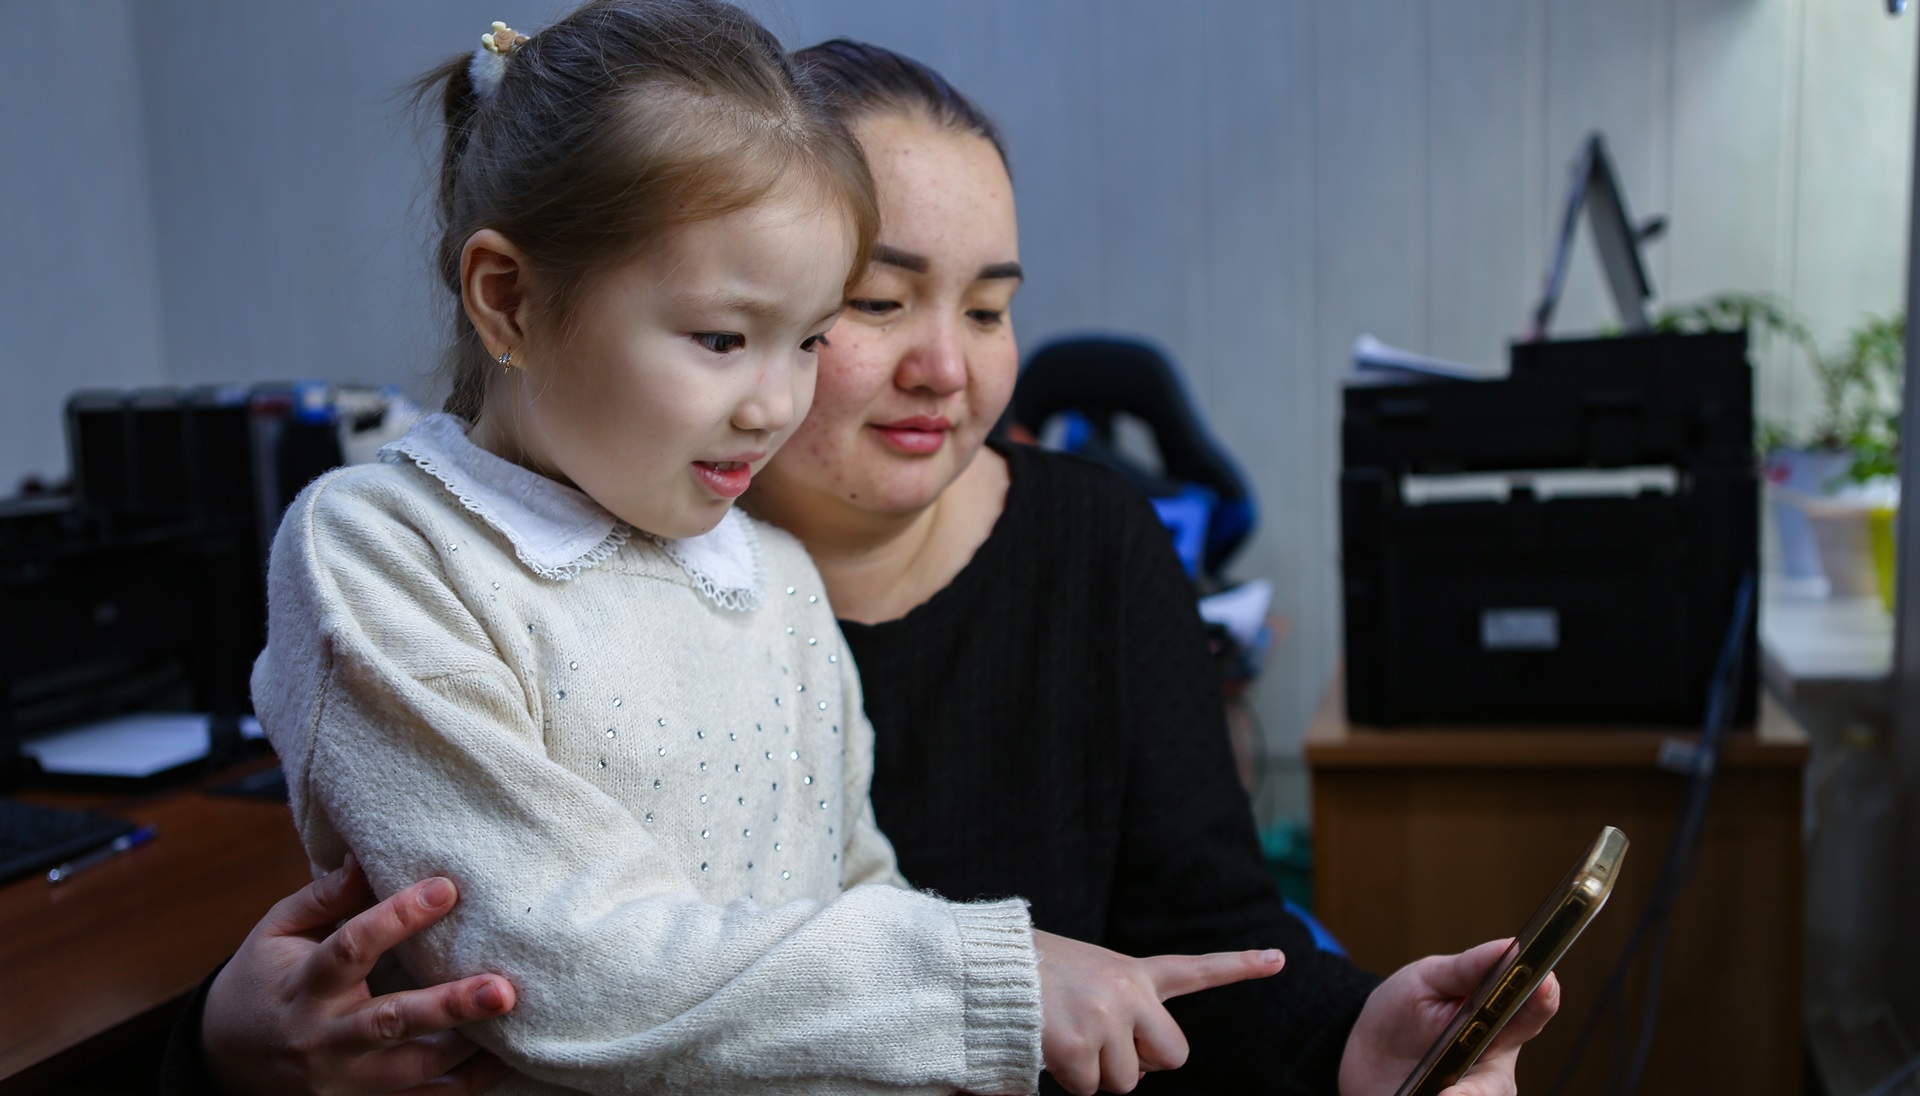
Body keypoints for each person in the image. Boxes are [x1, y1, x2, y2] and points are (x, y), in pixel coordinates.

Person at [171, 31, 1555, 1096]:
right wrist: (224, 1052)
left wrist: (1347, 1043)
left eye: (995, 306)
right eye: (875, 306)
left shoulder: (836, 573)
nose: (944, 368)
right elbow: (498, 958)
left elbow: (1111, 938)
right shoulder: (421, 557)